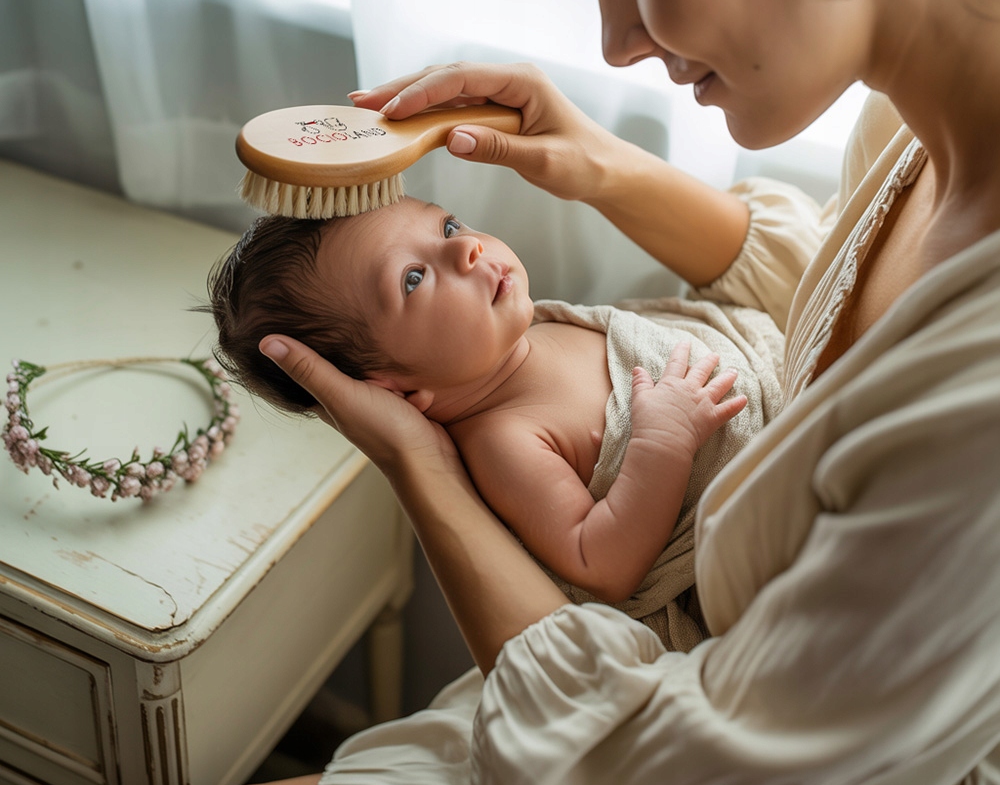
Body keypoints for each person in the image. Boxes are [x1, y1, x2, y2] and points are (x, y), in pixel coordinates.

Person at [146, 0, 1000, 785]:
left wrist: (420, 467)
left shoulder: (976, 401)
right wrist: (597, 165)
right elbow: (831, 316)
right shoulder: (917, 114)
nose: (618, 39)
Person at [206, 199, 785, 647]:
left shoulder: (536, 330)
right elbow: (601, 565)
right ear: (392, 386)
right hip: (762, 548)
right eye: (413, 278)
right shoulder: (502, 441)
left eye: (448, 227)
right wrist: (663, 440)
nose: (468, 251)